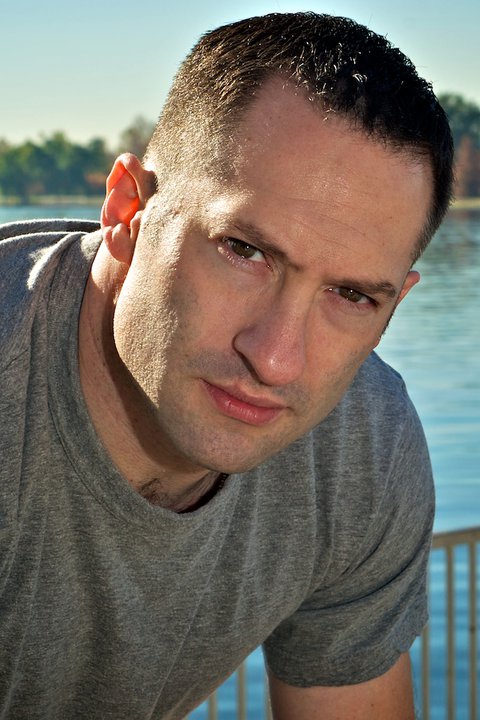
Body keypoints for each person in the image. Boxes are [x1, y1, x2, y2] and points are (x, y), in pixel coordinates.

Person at [0, 11, 453, 720]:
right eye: (245, 251)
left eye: (351, 295)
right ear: (127, 210)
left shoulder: (362, 444)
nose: (275, 359)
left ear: (394, 305)